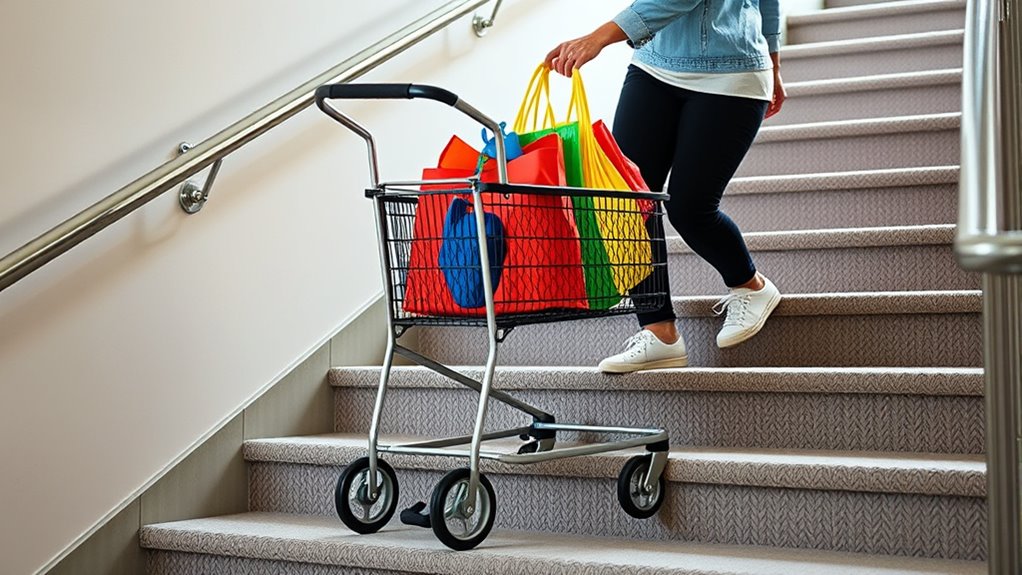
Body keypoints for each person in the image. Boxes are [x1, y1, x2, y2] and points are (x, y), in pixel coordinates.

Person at [545, 0, 786, 373]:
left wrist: (772, 59)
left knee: (690, 207)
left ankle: (751, 286)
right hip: (654, 65)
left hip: (732, 70)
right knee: (625, 201)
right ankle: (659, 332)